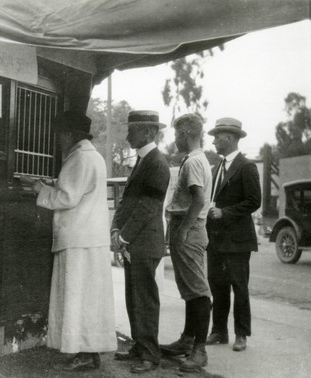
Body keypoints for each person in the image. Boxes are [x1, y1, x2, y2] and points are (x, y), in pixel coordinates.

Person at [27, 111, 117, 371]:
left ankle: (83, 353)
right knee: (90, 299)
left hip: (78, 239)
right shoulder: (94, 157)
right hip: (91, 238)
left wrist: (40, 189)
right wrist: (54, 183)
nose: (57, 140)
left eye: (59, 135)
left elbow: (67, 198)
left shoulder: (78, 158)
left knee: (77, 298)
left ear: (68, 134)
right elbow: (79, 188)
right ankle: (90, 351)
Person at [111, 110, 170, 374]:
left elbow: (147, 207)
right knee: (134, 297)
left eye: (132, 130)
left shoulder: (156, 163)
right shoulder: (144, 161)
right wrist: (115, 229)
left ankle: (150, 355)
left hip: (144, 243)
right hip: (136, 242)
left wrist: (122, 236)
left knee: (144, 299)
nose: (127, 135)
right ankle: (140, 346)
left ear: (148, 132)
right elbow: (127, 202)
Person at [160, 114, 212, 371]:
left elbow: (199, 200)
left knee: (198, 291)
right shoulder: (199, 159)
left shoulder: (192, 162)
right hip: (188, 227)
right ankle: (187, 341)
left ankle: (199, 351)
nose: (175, 139)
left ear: (187, 134)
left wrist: (183, 230)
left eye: (178, 134)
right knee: (191, 290)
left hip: (188, 228)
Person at [205, 117, 261, 352]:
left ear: (230, 138)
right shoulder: (216, 167)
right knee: (217, 285)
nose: (214, 141)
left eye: (218, 137)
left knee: (239, 286)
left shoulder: (246, 166)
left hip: (237, 240)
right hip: (216, 239)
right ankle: (219, 331)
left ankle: (241, 334)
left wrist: (224, 213)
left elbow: (254, 201)